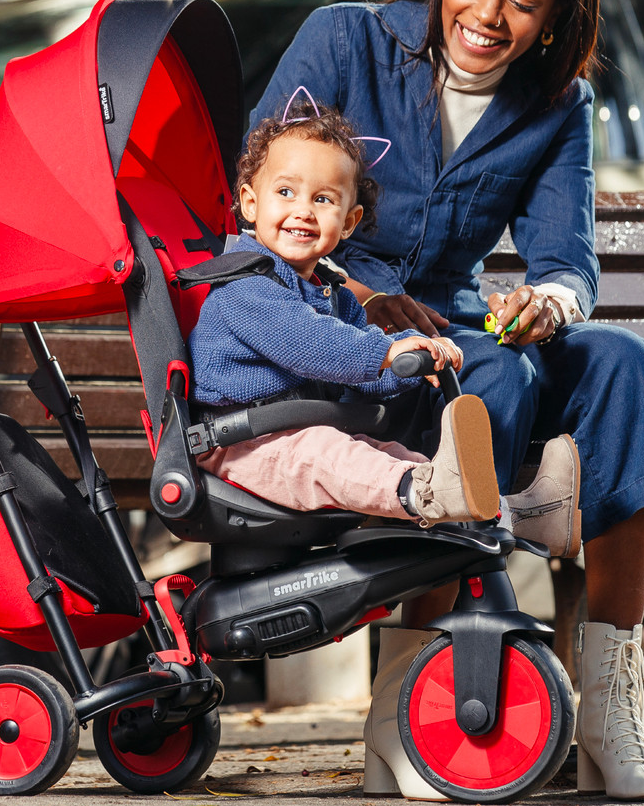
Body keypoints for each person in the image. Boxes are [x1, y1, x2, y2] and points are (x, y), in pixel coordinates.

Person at [249, 0, 644, 802]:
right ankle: (402, 711)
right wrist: (362, 292)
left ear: (557, 17)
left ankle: (609, 711)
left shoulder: (558, 104)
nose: (486, 15)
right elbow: (260, 200)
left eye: (522, 1)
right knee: (493, 371)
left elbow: (568, 261)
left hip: (453, 325)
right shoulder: (345, 40)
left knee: (620, 362)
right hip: (331, 327)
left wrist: (550, 304)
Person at [188, 101, 500, 526]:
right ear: (250, 203)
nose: (303, 210)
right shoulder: (244, 287)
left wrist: (412, 361)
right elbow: (310, 343)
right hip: (239, 444)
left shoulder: (333, 294)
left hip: (295, 433)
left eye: (322, 199)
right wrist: (386, 352)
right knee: (331, 455)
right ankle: (430, 492)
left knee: (388, 455)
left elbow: (362, 374)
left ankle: (503, 512)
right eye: (285, 192)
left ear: (349, 222)